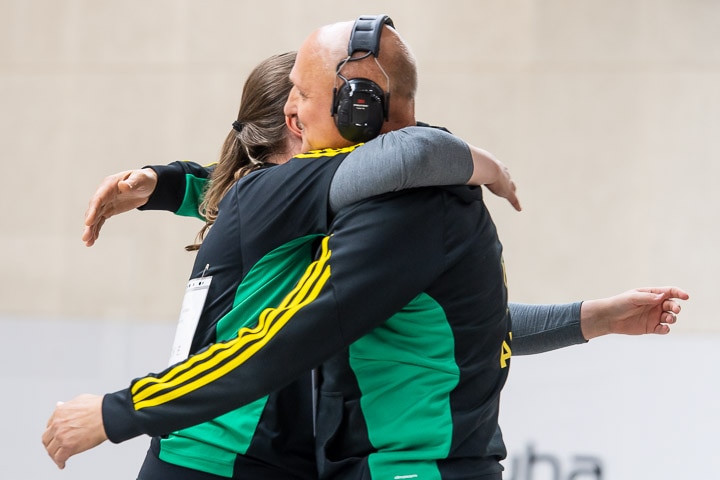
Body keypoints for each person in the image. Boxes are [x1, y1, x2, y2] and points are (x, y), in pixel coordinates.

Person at [43, 17, 689, 480]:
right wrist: (481, 162)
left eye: (303, 96)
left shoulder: (387, 208)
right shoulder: (315, 196)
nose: (296, 114)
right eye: (289, 101)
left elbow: (327, 325)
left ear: (356, 110)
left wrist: (118, 411)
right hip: (233, 456)